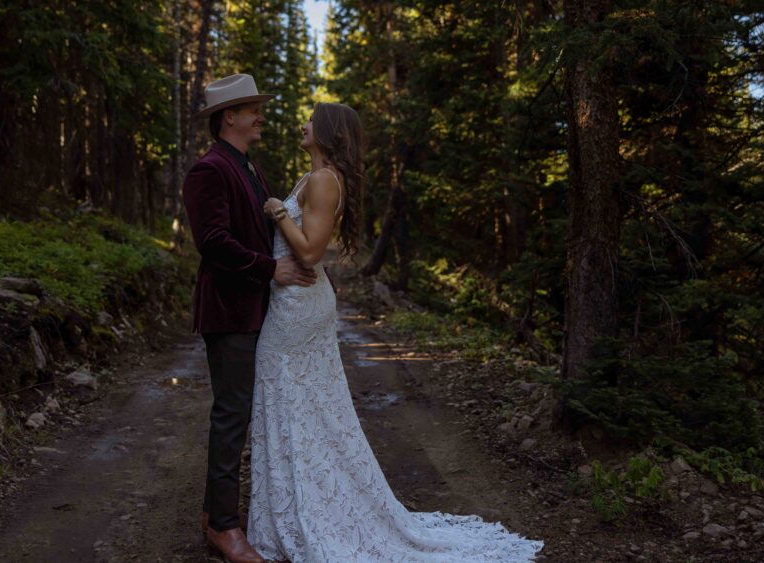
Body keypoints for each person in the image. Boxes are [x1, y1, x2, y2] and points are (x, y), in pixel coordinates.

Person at [248, 101, 545, 562]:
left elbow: (310, 254)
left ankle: (309, 513)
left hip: (300, 306)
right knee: (297, 405)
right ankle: (293, 509)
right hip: (292, 301)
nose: (303, 123)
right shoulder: (313, 177)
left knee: (296, 403)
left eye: (311, 118)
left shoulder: (325, 180)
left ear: (328, 132)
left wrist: (276, 213)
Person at [183, 73, 317, 563]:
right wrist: (271, 268)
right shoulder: (209, 170)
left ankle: (211, 513)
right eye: (252, 108)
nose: (260, 115)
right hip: (228, 310)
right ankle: (223, 527)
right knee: (232, 414)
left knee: (240, 411)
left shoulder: (247, 167)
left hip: (253, 309)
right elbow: (213, 242)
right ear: (229, 117)